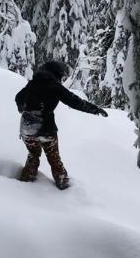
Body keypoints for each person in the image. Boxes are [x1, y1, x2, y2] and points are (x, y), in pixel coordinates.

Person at [15, 60, 108, 189]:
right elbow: (74, 102)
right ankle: (64, 187)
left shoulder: (32, 84)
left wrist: (23, 108)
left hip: (26, 128)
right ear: (56, 74)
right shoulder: (54, 86)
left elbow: (18, 97)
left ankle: (25, 182)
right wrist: (94, 109)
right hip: (45, 129)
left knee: (33, 154)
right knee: (54, 159)